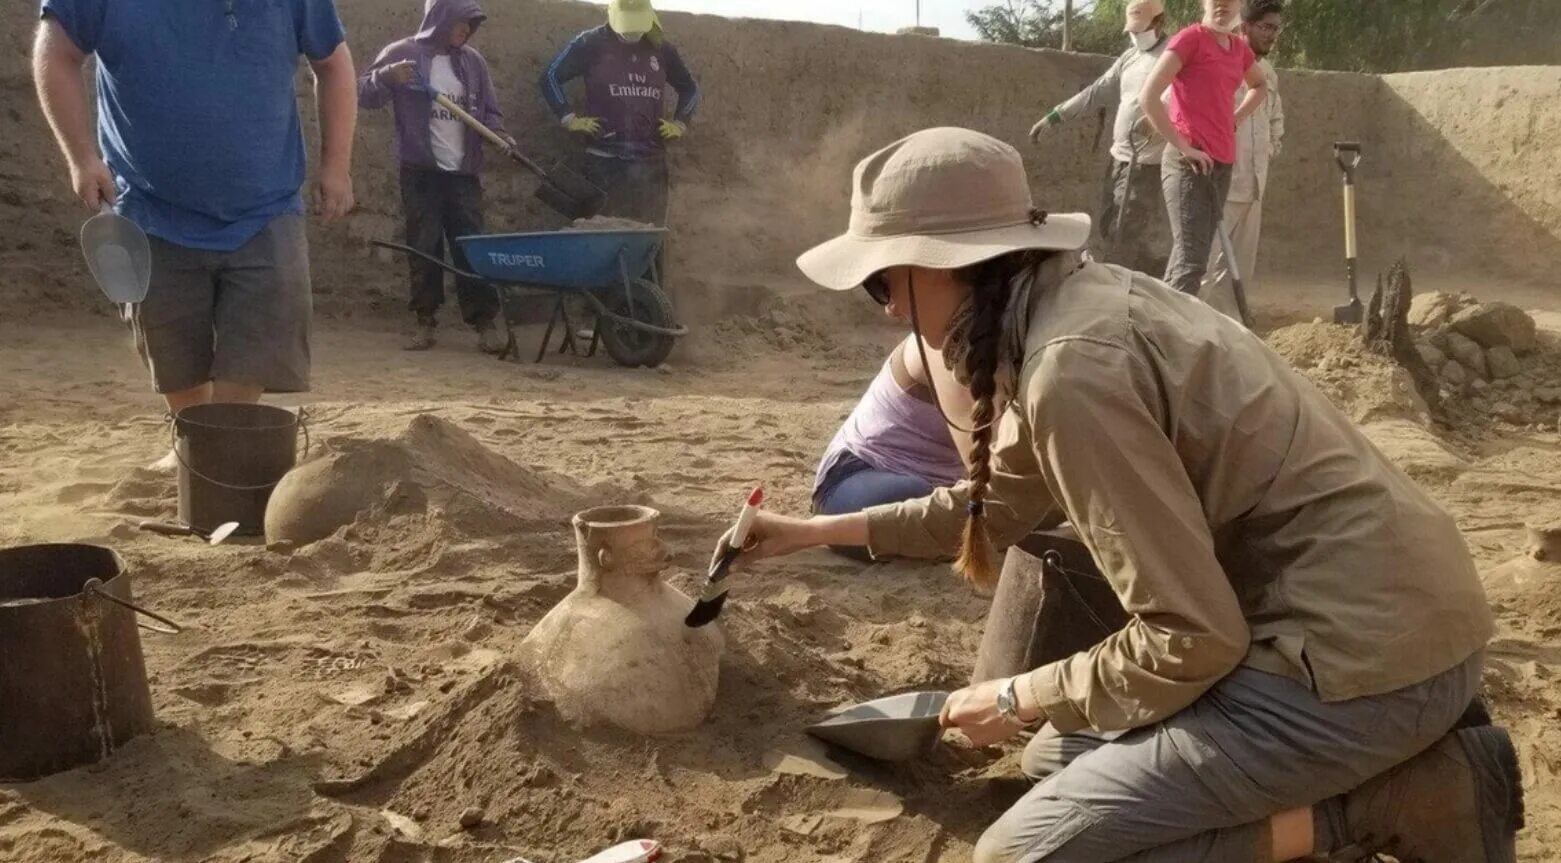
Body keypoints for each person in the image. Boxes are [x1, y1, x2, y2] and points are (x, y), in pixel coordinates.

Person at [723, 127, 1521, 862]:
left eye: (881, 284)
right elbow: (984, 512)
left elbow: (1189, 637)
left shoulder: (1073, 372)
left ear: (948, 265)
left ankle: (1402, 798)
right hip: (1379, 625)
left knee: (1019, 853)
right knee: (1047, 753)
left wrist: (1014, 692)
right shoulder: (1067, 306)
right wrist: (806, 530)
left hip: (1360, 668)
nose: (890, 309)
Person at [33, 0, 357, 466]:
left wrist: (337, 166)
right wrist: (81, 157)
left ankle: (216, 436)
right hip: (149, 204)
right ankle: (193, 433)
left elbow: (334, 63)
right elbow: (57, 53)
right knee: (167, 337)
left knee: (263, 331)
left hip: (265, 204)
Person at [360, 0, 511, 353]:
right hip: (421, 171)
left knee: (471, 247)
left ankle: (483, 321)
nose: (466, 30)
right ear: (440, 17)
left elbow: (490, 111)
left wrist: (498, 134)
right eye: (461, 21)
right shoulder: (403, 54)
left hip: (463, 171)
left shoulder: (473, 63)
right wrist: (385, 77)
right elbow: (364, 93)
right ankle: (425, 321)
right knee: (424, 247)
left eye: (471, 24)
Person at [1030, 0, 1169, 275]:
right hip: (1119, 156)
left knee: (1125, 229)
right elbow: (1096, 92)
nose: (1136, 35)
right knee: (1109, 225)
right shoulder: (1130, 58)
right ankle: (1149, 270)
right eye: (1133, 30)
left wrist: (1158, 120)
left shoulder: (1174, 54)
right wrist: (1055, 116)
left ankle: (1120, 290)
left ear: (1159, 23)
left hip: (1146, 161)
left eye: (1142, 29)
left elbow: (1184, 97)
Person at [1139, 0, 1268, 296]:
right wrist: (1184, 147)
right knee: (1192, 261)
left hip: (1221, 163)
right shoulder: (1190, 39)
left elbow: (1259, 86)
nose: (1222, 3)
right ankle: (1171, 334)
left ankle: (1164, 322)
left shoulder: (1238, 49)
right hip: (1189, 163)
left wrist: (1235, 118)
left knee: (1192, 257)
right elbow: (1149, 97)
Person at [539, 0, 700, 227]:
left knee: (650, 234)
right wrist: (568, 117)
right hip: (605, 161)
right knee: (602, 231)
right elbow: (550, 76)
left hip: (650, 162)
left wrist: (680, 124)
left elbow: (690, 88)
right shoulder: (591, 43)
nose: (632, 32)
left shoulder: (662, 49)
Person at [812, 334, 972, 559]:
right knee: (926, 501)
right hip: (854, 483)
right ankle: (808, 533)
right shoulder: (938, 347)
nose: (891, 310)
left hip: (934, 485)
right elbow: (994, 470)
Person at [1201, 0, 1285, 318]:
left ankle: (1228, 333)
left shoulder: (1267, 74)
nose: (1272, 34)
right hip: (1220, 183)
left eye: (1276, 28)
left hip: (1253, 187)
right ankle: (1188, 333)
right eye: (1266, 27)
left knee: (1239, 272)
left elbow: (1276, 121)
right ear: (1244, 26)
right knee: (1203, 266)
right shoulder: (1216, 63)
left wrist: (1269, 151)